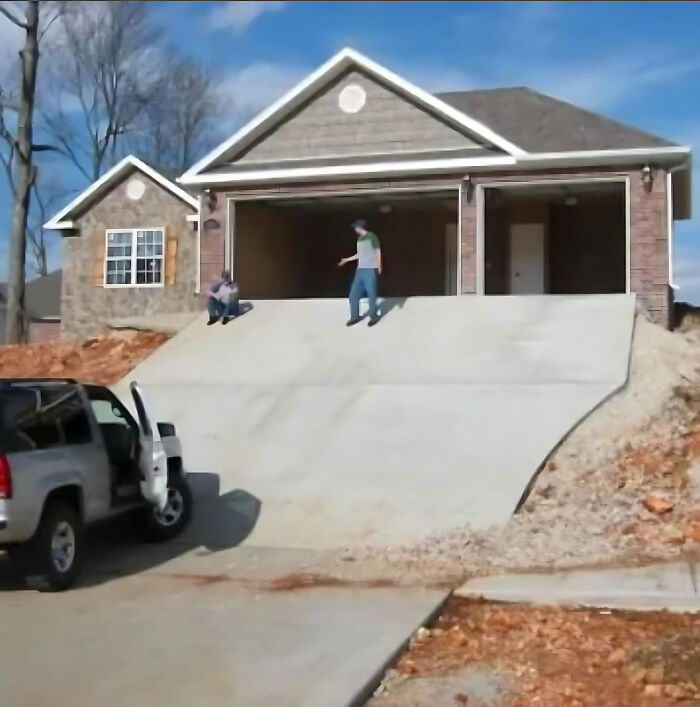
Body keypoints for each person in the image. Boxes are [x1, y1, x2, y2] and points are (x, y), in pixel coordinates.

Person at [338, 219, 382, 327]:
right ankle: (355, 316)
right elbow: (360, 254)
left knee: (371, 292)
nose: (355, 229)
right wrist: (347, 260)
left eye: (356, 227)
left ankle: (373, 316)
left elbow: (377, 250)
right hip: (360, 269)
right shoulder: (360, 239)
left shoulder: (372, 237)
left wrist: (379, 265)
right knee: (353, 293)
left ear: (360, 227)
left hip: (370, 268)